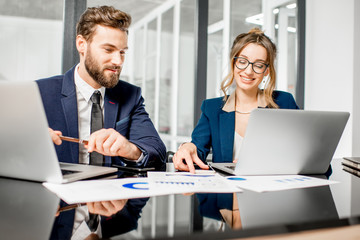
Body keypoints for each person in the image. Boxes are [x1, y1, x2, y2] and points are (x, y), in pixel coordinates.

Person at [36, 6, 166, 239]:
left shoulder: (130, 96)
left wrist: (129, 148)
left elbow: (156, 151)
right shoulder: (41, 93)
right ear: (81, 45)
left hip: (114, 213)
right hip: (52, 214)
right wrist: (29, 143)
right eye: (108, 49)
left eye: (123, 52)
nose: (118, 61)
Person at [173, 28, 299, 173]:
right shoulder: (212, 108)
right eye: (242, 61)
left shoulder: (284, 103)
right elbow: (198, 150)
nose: (248, 71)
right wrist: (188, 148)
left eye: (258, 65)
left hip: (269, 192)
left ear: (266, 71)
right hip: (227, 193)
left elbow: (303, 154)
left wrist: (268, 163)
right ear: (233, 62)